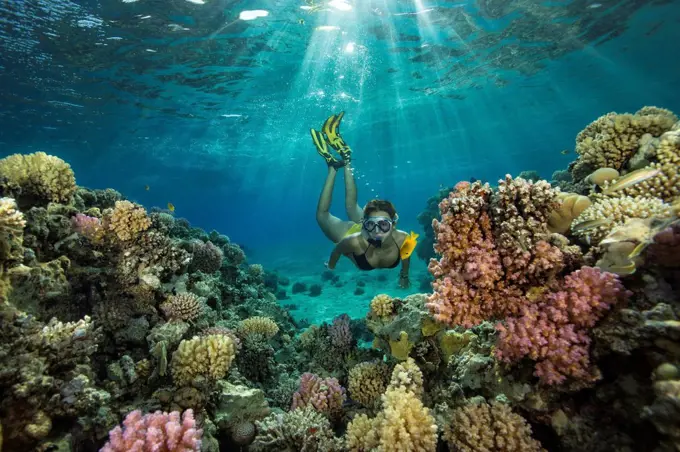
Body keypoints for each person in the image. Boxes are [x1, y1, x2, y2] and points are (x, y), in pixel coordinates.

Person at [310, 112, 412, 289]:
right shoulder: (352, 241)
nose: (377, 232)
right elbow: (336, 251)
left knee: (349, 207)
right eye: (372, 225)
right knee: (322, 216)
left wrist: (404, 275)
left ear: (394, 224)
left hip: (365, 232)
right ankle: (335, 168)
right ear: (364, 223)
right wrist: (332, 265)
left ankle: (345, 162)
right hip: (353, 233)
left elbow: (406, 256)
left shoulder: (405, 239)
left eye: (384, 225)